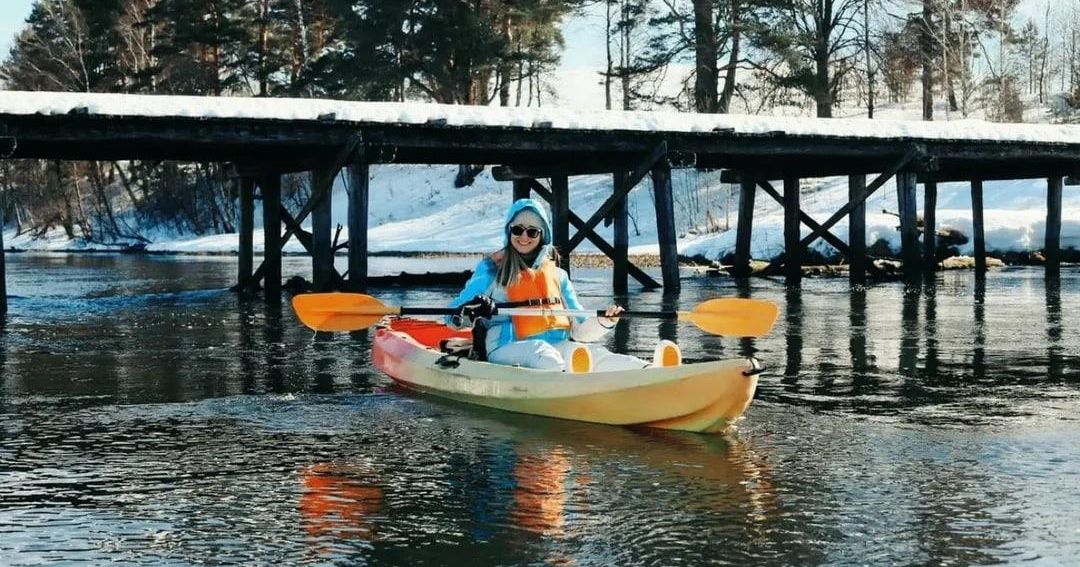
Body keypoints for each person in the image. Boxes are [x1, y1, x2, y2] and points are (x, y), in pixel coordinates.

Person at [447, 198, 679, 372]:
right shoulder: (491, 270)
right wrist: (471, 308)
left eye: (532, 231)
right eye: (517, 230)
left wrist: (603, 322)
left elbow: (579, 330)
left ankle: (650, 373)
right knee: (541, 353)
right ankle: (569, 388)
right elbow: (452, 318)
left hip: (558, 344)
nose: (524, 236)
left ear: (542, 236)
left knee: (593, 354)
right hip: (507, 348)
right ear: (509, 232)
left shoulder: (558, 276)